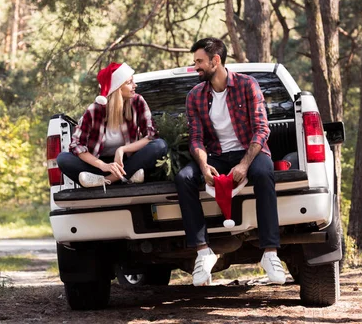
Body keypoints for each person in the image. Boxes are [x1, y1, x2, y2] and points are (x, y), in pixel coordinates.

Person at [175, 38, 286, 286]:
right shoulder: (195, 95)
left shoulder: (248, 85)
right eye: (195, 62)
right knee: (184, 178)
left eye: (200, 62)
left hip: (250, 152)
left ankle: (270, 253)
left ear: (216, 61)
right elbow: (196, 138)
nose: (196, 67)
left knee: (264, 173)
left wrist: (245, 164)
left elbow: (261, 130)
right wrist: (204, 166)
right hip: (215, 157)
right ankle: (203, 252)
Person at [57, 62, 168, 190]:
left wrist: (122, 150)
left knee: (160, 145)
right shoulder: (95, 110)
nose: (135, 85)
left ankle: (108, 181)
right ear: (117, 88)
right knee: (63, 159)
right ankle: (125, 178)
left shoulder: (137, 101)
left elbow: (151, 136)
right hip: (100, 166)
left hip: (127, 163)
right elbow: (77, 146)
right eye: (129, 82)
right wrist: (103, 165)